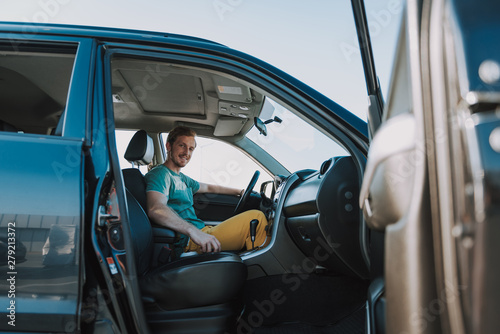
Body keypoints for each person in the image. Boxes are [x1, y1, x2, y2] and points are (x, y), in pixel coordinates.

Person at [145, 126, 268, 257]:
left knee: (259, 225)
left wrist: (240, 191)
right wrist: (193, 232)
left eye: (191, 148)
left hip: (202, 231)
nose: (187, 152)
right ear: (169, 146)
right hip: (189, 241)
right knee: (256, 219)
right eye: (182, 145)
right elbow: (155, 208)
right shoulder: (160, 174)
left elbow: (210, 188)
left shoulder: (182, 178)